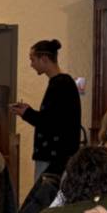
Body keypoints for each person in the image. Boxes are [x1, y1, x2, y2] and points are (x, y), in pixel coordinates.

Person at [15, 38, 82, 177]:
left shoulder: (61, 84)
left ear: (44, 59)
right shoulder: (60, 83)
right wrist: (28, 111)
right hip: (56, 155)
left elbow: (50, 122)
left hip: (53, 157)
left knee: (45, 189)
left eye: (33, 60)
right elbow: (53, 117)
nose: (31, 65)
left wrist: (27, 113)